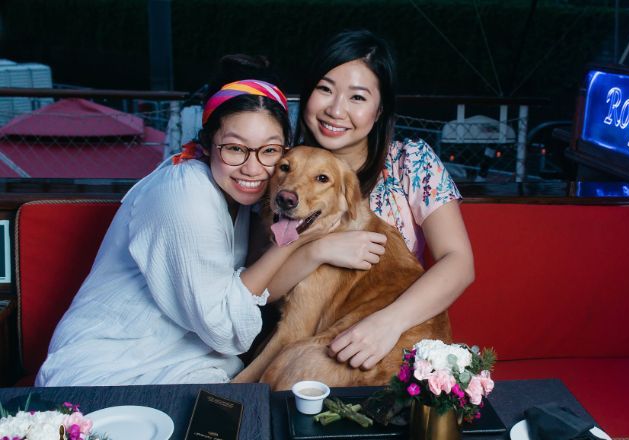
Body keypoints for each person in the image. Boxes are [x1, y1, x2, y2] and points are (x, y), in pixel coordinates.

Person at [36, 78, 326, 386]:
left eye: (268, 150)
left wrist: (315, 246)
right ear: (206, 145)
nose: (252, 168)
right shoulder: (183, 194)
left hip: (181, 365)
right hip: (104, 372)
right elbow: (225, 330)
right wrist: (291, 242)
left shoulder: (240, 198)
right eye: (234, 148)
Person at [235, 29, 475, 381]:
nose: (335, 110)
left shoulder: (410, 161)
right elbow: (257, 291)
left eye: (357, 97)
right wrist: (320, 250)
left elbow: (460, 263)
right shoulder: (281, 163)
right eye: (325, 89)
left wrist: (387, 322)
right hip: (298, 332)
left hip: (385, 336)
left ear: (379, 110)